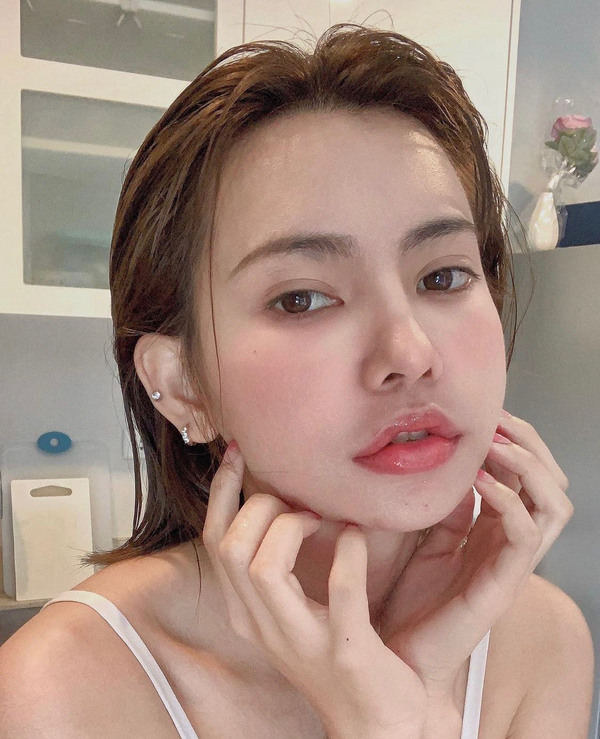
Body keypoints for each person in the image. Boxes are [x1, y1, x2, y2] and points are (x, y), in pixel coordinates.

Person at [0, 23, 594, 738]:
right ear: (184, 386)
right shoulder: (60, 691)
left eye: (442, 276)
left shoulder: (543, 644)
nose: (410, 352)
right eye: (302, 298)